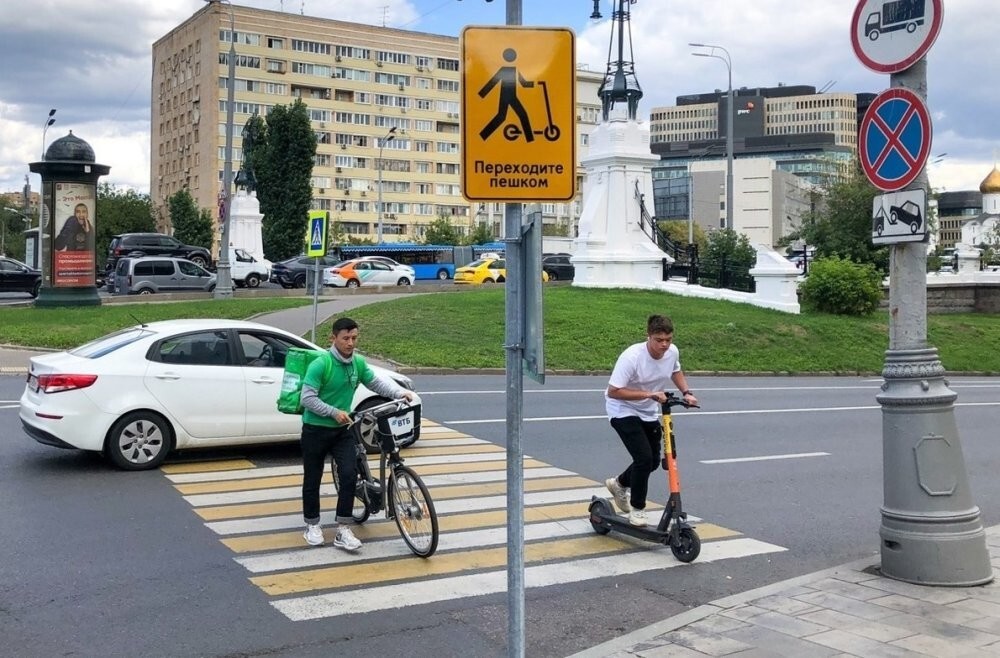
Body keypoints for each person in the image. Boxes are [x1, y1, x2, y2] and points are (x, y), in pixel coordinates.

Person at [299, 317, 414, 550]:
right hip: (315, 430)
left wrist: (399, 393)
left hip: (343, 431)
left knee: (350, 476)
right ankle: (312, 525)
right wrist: (333, 412)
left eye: (354, 338)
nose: (350, 343)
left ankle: (343, 528)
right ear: (333, 338)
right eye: (346, 338)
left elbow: (376, 384)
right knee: (313, 478)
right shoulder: (321, 364)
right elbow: (307, 398)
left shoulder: (357, 364)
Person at [604, 315, 698, 527]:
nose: (664, 345)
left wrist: (687, 392)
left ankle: (619, 484)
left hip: (647, 410)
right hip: (622, 409)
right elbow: (614, 391)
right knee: (644, 459)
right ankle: (637, 509)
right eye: (659, 340)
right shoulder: (632, 357)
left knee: (654, 461)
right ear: (648, 336)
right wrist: (648, 395)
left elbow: (675, 370)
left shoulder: (671, 352)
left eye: (668, 339)